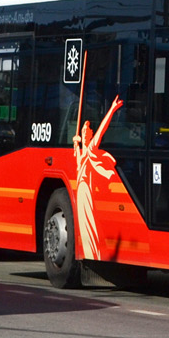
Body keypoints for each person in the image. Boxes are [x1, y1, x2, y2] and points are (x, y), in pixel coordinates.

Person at [73, 95, 123, 262]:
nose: (87, 132)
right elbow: (77, 161)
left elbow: (103, 127)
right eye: (85, 131)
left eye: (89, 131)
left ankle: (94, 252)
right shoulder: (81, 152)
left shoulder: (92, 148)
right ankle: (89, 251)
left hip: (86, 191)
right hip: (80, 191)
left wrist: (112, 109)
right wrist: (76, 145)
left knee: (89, 224)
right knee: (84, 224)